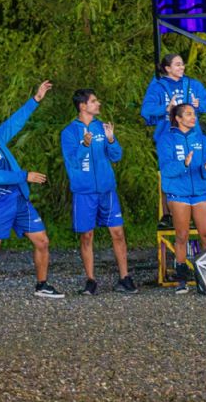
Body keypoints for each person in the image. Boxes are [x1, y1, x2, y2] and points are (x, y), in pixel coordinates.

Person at [0, 80, 63, 300]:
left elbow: (14, 123)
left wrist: (36, 99)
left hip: (18, 199)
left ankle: (42, 285)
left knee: (42, 241)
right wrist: (24, 175)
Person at [61, 89, 137, 296]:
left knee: (118, 233)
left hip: (106, 189)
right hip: (84, 191)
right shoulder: (69, 132)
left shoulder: (102, 127)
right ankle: (91, 280)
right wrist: (85, 145)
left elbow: (116, 156)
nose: (98, 104)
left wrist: (111, 140)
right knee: (87, 235)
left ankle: (124, 278)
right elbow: (73, 162)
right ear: (82, 106)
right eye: (94, 101)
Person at [141, 53, 206, 228]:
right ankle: (167, 213)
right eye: (177, 65)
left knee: (196, 167)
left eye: (182, 64)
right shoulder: (158, 86)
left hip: (192, 136)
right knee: (169, 171)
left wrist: (199, 105)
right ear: (167, 68)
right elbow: (146, 110)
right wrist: (165, 109)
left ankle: (196, 211)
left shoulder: (192, 84)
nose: (182, 67)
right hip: (168, 136)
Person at [157, 103, 206, 294]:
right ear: (178, 118)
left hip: (200, 192)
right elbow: (166, 169)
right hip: (179, 193)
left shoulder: (201, 139)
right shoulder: (166, 140)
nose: (193, 117)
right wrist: (184, 164)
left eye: (194, 114)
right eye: (189, 114)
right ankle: (182, 279)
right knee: (182, 236)